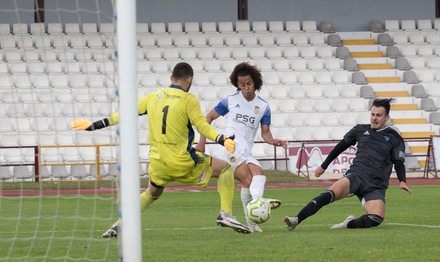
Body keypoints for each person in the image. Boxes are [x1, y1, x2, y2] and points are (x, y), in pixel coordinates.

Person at [71, 62, 252, 237]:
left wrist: (94, 125)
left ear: (171, 77)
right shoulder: (189, 99)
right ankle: (226, 214)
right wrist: (221, 139)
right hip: (183, 162)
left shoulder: (153, 96)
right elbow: (201, 125)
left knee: (151, 193)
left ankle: (119, 224)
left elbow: (125, 112)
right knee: (226, 169)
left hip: (158, 164)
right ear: (189, 80)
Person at [284, 98, 412, 231]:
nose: (374, 118)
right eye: (372, 114)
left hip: (376, 185)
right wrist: (324, 166)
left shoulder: (394, 138)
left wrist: (402, 181)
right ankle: (296, 220)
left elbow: (398, 162)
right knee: (329, 194)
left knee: (376, 218)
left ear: (387, 117)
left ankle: (349, 223)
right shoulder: (360, 130)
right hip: (356, 176)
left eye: (378, 115)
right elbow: (340, 147)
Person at [195, 62, 287, 233]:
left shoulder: (264, 107)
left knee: (259, 174)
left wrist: (273, 141)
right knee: (248, 180)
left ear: (255, 82)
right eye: (242, 85)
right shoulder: (230, 101)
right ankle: (253, 218)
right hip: (229, 147)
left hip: (245, 151)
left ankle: (258, 201)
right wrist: (202, 142)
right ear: (237, 85)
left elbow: (265, 133)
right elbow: (207, 118)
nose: (246, 88)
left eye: (249, 84)